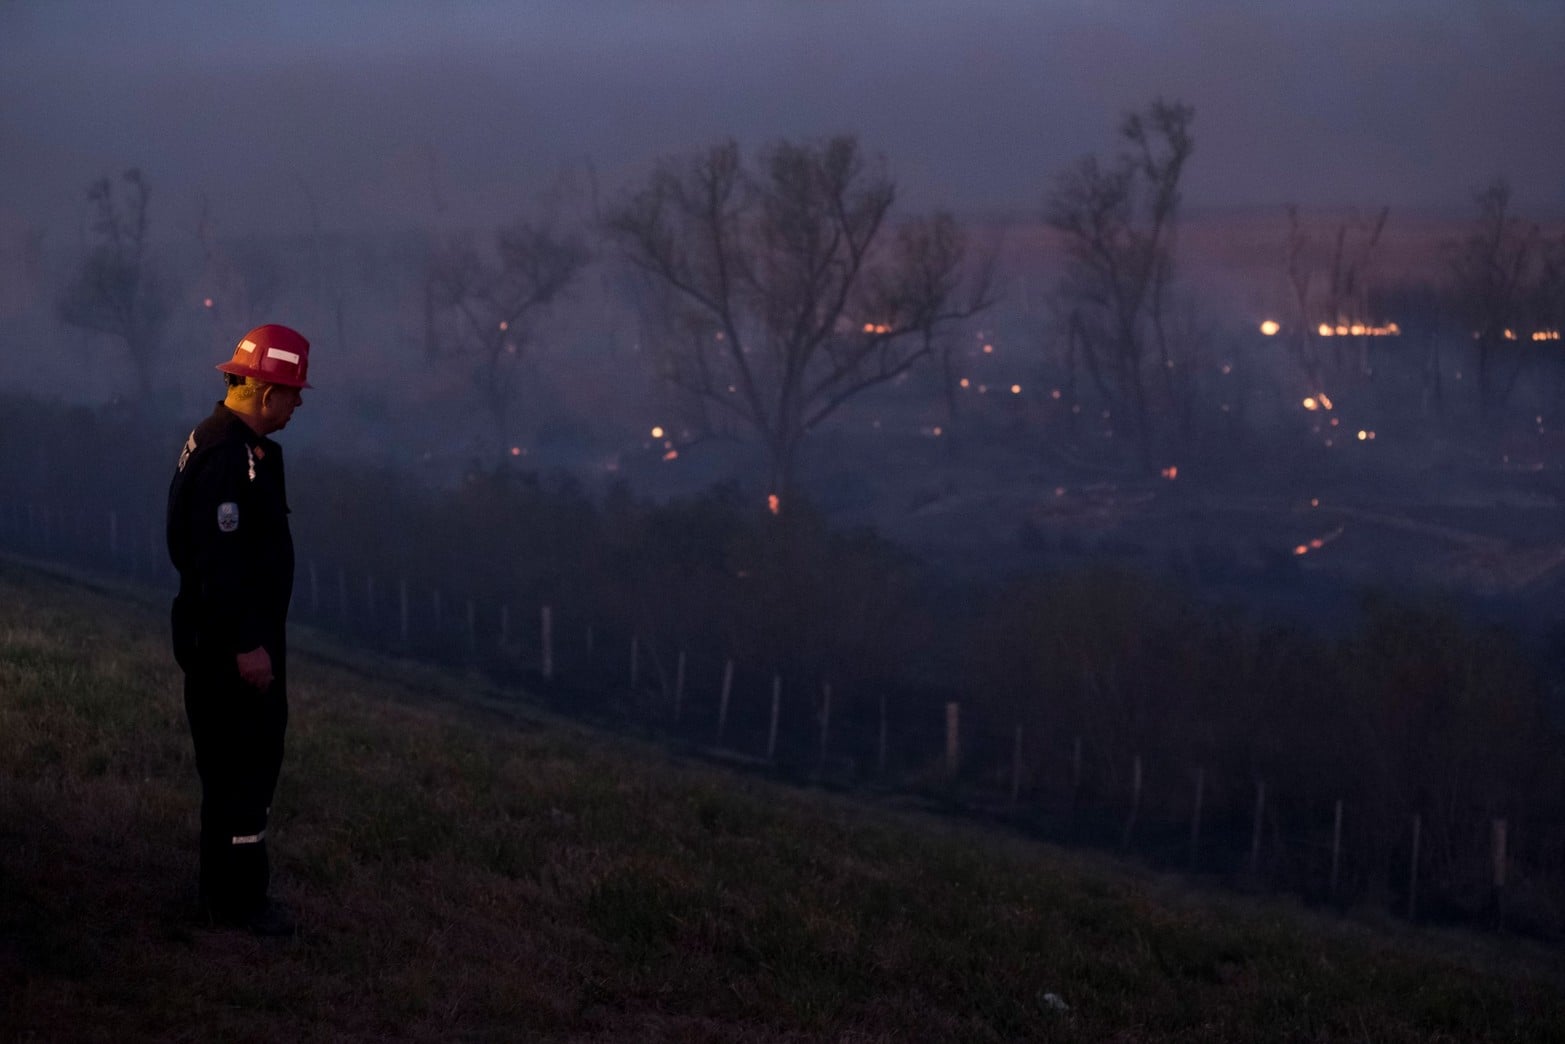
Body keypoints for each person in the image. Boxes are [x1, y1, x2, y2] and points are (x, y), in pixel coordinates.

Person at [166, 323, 310, 937]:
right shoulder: (228, 458)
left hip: (227, 640)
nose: (298, 403)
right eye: (292, 392)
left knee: (233, 772)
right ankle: (240, 904)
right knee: (242, 770)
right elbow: (218, 563)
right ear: (263, 390)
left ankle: (224, 896)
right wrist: (248, 645)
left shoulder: (231, 446)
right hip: (232, 649)